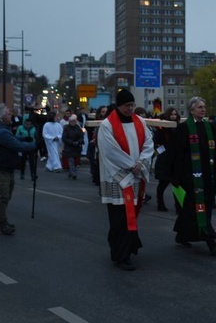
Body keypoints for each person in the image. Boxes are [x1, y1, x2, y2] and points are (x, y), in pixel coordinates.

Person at [97, 90, 153, 271]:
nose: (130, 109)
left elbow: (148, 144)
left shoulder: (141, 122)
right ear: (119, 106)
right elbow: (110, 151)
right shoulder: (107, 125)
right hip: (117, 177)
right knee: (119, 218)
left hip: (135, 176)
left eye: (132, 105)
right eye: (126, 106)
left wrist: (141, 163)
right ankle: (119, 254)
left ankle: (128, 249)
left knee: (131, 215)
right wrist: (132, 166)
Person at [171, 97, 216, 255]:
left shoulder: (210, 127)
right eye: (199, 107)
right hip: (190, 177)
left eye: (204, 106)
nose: (203, 109)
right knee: (196, 209)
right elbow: (177, 153)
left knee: (197, 209)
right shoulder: (184, 128)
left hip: (208, 176)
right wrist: (176, 176)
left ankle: (182, 235)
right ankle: (210, 241)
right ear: (192, 110)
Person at [0, 103, 38, 235]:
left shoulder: (2, 129)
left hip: (5, 167)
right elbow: (16, 145)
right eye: (8, 113)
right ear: (1, 117)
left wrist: (25, 138)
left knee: (6, 195)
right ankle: (3, 222)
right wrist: (33, 145)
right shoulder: (1, 131)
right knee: (4, 196)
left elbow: (13, 139)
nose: (11, 115)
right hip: (1, 168)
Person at [153, 107, 179, 212]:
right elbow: (155, 143)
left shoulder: (178, 127)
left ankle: (178, 206)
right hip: (165, 161)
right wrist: (162, 152)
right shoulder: (161, 128)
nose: (173, 116)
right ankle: (160, 203)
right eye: (172, 114)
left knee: (177, 185)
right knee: (163, 184)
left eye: (175, 114)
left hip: (175, 161)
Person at [62, 114, 84, 180]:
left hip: (76, 147)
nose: (73, 123)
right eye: (72, 121)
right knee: (71, 160)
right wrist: (71, 142)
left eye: (74, 121)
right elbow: (64, 138)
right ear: (69, 121)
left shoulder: (77, 128)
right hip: (69, 147)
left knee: (74, 161)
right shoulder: (66, 128)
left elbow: (81, 136)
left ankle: (70, 173)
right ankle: (74, 174)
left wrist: (79, 142)